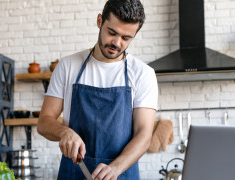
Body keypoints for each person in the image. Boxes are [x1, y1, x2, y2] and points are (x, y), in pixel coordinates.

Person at [37, 0, 158, 179]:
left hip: (121, 173)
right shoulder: (68, 66)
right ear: (100, 21)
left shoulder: (143, 74)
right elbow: (44, 122)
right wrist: (64, 132)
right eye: (112, 32)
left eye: (126, 38)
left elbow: (144, 135)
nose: (117, 42)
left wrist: (115, 168)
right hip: (74, 172)